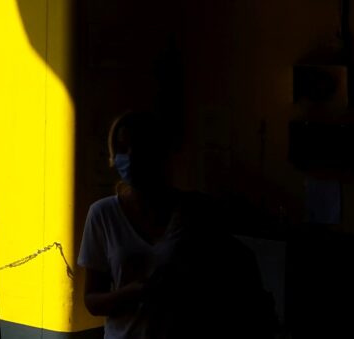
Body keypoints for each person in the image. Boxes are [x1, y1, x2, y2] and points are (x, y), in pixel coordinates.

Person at [77, 112, 273, 338]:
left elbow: (233, 275)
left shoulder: (194, 210)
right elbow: (92, 300)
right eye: (122, 149)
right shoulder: (103, 214)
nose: (130, 156)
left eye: (139, 147)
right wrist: (132, 293)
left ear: (161, 153)